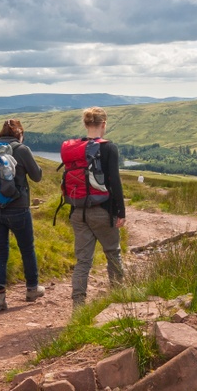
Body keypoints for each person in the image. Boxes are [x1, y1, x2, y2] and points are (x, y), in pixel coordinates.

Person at [0, 119, 44, 312]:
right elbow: (37, 176)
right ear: (20, 134)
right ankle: (32, 289)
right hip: (18, 209)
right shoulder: (21, 149)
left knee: (0, 251)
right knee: (27, 248)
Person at [69, 106, 125, 307]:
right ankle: (119, 301)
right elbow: (115, 181)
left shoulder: (75, 148)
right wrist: (121, 212)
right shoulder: (108, 147)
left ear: (86, 124)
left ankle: (78, 307)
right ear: (104, 124)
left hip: (78, 211)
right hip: (103, 211)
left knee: (83, 261)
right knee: (113, 253)